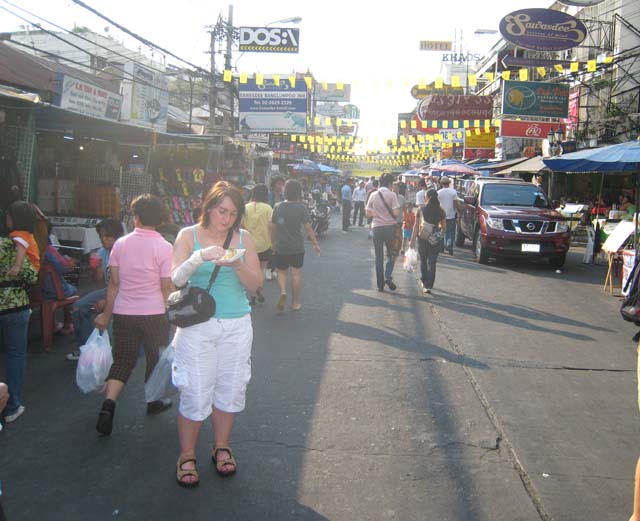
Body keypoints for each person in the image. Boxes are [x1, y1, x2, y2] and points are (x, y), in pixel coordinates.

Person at [170, 181, 262, 486]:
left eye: (233, 213)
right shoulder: (188, 235)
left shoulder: (243, 238)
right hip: (197, 325)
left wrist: (235, 264)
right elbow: (175, 279)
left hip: (237, 323)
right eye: (222, 211)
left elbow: (255, 285)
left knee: (231, 388)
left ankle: (221, 447)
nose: (227, 219)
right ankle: (187, 455)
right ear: (208, 207)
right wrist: (200, 257)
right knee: (195, 391)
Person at [94, 195, 174, 436]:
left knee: (123, 360)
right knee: (155, 358)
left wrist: (106, 316)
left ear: (136, 217)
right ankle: (153, 401)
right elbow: (166, 287)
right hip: (155, 313)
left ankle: (109, 403)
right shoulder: (165, 247)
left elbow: (113, 284)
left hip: (124, 312)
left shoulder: (120, 244)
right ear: (160, 220)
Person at [65, 218, 124, 361]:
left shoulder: (125, 251)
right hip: (108, 289)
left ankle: (110, 355)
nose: (103, 239)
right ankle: (85, 348)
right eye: (101, 236)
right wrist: (96, 268)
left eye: (107, 236)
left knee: (108, 323)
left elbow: (123, 284)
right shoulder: (103, 252)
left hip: (124, 293)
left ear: (116, 236)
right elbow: (102, 281)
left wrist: (105, 302)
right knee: (78, 307)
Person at [0, 233, 39, 425]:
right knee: (15, 355)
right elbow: (32, 276)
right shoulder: (12, 246)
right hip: (15, 307)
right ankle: (12, 406)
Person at [271, 179, 321, 312]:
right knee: (296, 274)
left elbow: (273, 228)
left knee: (281, 272)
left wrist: (272, 244)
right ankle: (295, 303)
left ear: (285, 191)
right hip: (297, 247)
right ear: (299, 192)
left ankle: (283, 291)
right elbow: (309, 228)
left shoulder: (278, 206)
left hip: (281, 246)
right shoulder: (301, 207)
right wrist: (315, 244)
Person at [366, 173, 400, 292]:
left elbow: (368, 212)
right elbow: (396, 213)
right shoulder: (392, 195)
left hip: (376, 228)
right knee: (392, 254)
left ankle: (380, 285)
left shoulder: (373, 195)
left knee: (378, 257)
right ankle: (387, 276)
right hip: (389, 228)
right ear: (390, 184)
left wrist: (377, 214)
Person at [410, 189, 446, 295]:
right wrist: (437, 231)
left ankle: (424, 281)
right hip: (435, 239)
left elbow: (416, 226)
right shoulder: (441, 211)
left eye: (425, 196)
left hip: (423, 238)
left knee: (423, 260)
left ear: (427, 197)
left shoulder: (421, 209)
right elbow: (444, 227)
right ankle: (428, 285)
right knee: (432, 262)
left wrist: (412, 240)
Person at [242, 183, 273, 305]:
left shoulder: (246, 207)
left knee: (250, 269)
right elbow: (271, 226)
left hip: (248, 244)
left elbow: (241, 226)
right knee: (262, 267)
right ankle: (259, 287)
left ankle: (253, 295)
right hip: (264, 243)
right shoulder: (268, 208)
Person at [6, 201, 40, 276]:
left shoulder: (19, 235)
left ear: (15, 220)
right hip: (34, 268)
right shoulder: (27, 234)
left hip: (29, 269)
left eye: (8, 217)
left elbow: (21, 247)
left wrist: (17, 266)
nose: (6, 220)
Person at [437, 176, 458, 255]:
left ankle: (441, 248)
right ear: (449, 183)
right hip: (451, 214)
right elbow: (455, 204)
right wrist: (456, 212)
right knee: (450, 231)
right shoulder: (453, 192)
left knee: (441, 230)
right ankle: (449, 245)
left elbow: (437, 205)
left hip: (441, 215)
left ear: (442, 183)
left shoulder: (439, 192)